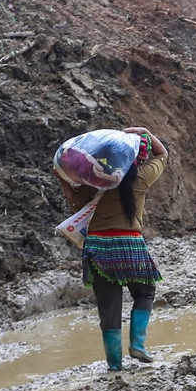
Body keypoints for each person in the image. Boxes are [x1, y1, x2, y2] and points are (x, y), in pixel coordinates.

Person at [59, 126, 167, 371]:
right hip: (129, 245)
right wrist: (145, 131)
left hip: (97, 246)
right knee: (145, 293)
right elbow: (162, 155)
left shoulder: (94, 181)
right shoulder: (140, 177)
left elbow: (75, 204)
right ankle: (138, 344)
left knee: (109, 307)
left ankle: (115, 366)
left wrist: (62, 181)